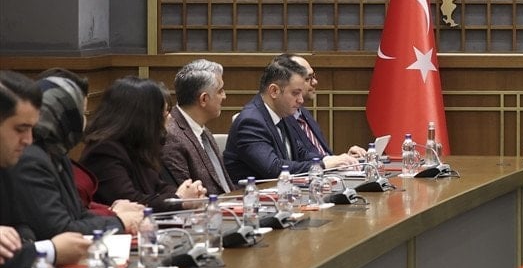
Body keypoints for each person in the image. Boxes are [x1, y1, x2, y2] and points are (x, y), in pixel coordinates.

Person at [8, 72, 143, 240]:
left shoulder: (57, 154)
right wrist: (119, 222)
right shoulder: (30, 158)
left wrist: (116, 220)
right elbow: (60, 229)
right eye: (81, 113)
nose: (84, 121)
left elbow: (79, 214)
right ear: (65, 116)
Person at [0, 71, 90, 268]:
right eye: (20, 129)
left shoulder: (7, 165)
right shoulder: (26, 162)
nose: (28, 140)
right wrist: (51, 250)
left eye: (31, 129)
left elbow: (20, 227)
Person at [80, 76, 207, 211]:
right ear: (144, 118)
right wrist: (178, 199)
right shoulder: (104, 151)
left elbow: (158, 186)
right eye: (163, 113)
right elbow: (130, 201)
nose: (169, 117)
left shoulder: (136, 145)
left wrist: (190, 193)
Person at [224, 60, 357, 183]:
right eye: (295, 93)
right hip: (251, 197)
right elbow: (274, 168)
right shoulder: (251, 122)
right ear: (274, 91)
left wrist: (332, 160)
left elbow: (301, 153)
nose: (301, 100)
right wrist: (322, 165)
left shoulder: (283, 113)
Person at [162, 59, 234, 194]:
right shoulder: (172, 137)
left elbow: (224, 186)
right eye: (220, 91)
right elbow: (188, 197)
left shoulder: (202, 130)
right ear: (204, 99)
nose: (224, 96)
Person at [274, 54, 365, 159]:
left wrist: (345, 160)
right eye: (308, 78)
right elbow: (298, 162)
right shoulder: (280, 118)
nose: (315, 82)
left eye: (314, 76)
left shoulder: (303, 113)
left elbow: (322, 156)